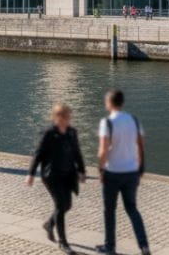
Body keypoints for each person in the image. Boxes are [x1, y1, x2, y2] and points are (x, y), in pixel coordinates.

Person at [96, 89, 150, 255]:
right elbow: (141, 146)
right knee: (132, 209)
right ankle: (144, 246)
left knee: (110, 211)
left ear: (109, 103)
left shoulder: (107, 122)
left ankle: (110, 247)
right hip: (131, 172)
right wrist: (140, 169)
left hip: (113, 172)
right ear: (122, 102)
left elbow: (103, 151)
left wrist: (101, 169)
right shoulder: (134, 120)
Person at [27, 103, 86, 251]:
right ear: (55, 117)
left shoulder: (72, 132)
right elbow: (38, 154)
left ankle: (49, 224)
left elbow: (77, 152)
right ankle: (63, 242)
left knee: (67, 205)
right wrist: (31, 174)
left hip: (68, 174)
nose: (65, 120)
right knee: (60, 206)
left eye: (67, 117)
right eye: (61, 117)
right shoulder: (48, 133)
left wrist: (82, 171)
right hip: (51, 175)